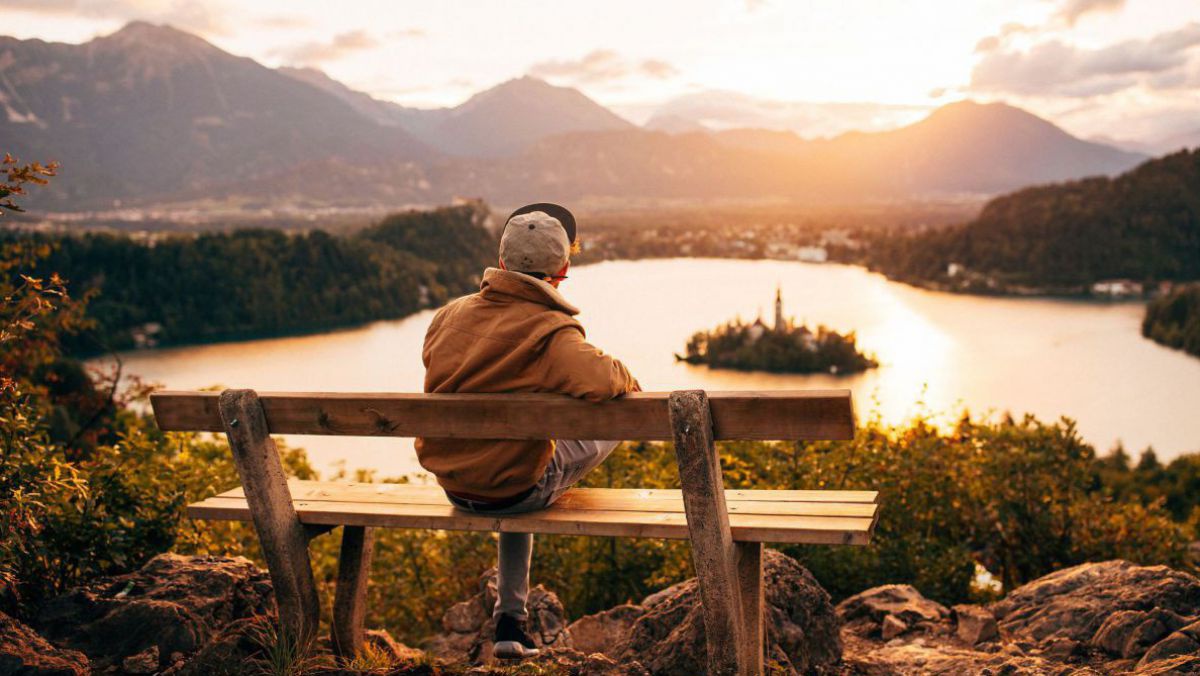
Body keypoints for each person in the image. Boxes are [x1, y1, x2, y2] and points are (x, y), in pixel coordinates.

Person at [414, 202, 640, 660]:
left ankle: (509, 624)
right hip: (515, 488)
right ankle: (511, 620)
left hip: (456, 484)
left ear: (501, 262)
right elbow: (603, 381)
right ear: (562, 269)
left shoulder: (449, 315)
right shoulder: (550, 332)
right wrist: (628, 383)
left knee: (518, 459)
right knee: (615, 418)